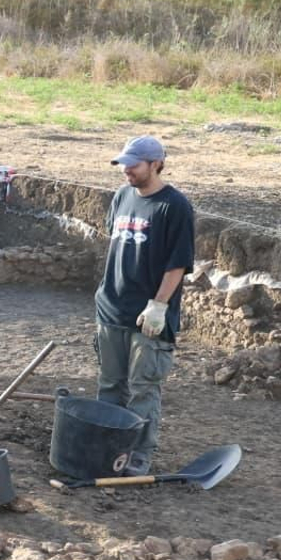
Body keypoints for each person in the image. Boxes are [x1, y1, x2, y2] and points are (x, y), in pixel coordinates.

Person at [95, 135, 196, 475]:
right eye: (124, 164)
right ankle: (107, 449)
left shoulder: (174, 206)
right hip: (111, 308)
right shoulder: (122, 196)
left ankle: (139, 454)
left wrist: (158, 305)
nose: (126, 171)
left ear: (156, 164)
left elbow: (177, 264)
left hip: (148, 315)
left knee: (142, 388)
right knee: (110, 384)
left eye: (133, 165)